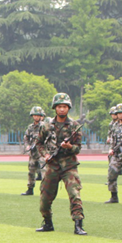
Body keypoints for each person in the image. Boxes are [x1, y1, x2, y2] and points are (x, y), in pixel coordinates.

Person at [35, 92, 87, 235]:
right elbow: (39, 143)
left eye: (64, 106)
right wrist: (45, 154)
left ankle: (78, 224)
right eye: (59, 106)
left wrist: (69, 147)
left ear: (68, 108)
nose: (62, 109)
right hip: (52, 165)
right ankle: (47, 222)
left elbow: (78, 148)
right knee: (45, 197)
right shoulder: (47, 125)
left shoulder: (74, 126)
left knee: (74, 194)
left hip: (69, 165)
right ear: (55, 108)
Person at [22, 106, 46, 196]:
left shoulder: (44, 126)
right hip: (33, 153)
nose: (36, 117)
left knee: (44, 172)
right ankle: (30, 189)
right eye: (34, 115)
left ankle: (44, 190)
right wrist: (27, 145)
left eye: (38, 115)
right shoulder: (30, 127)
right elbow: (26, 138)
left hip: (42, 152)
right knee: (31, 171)